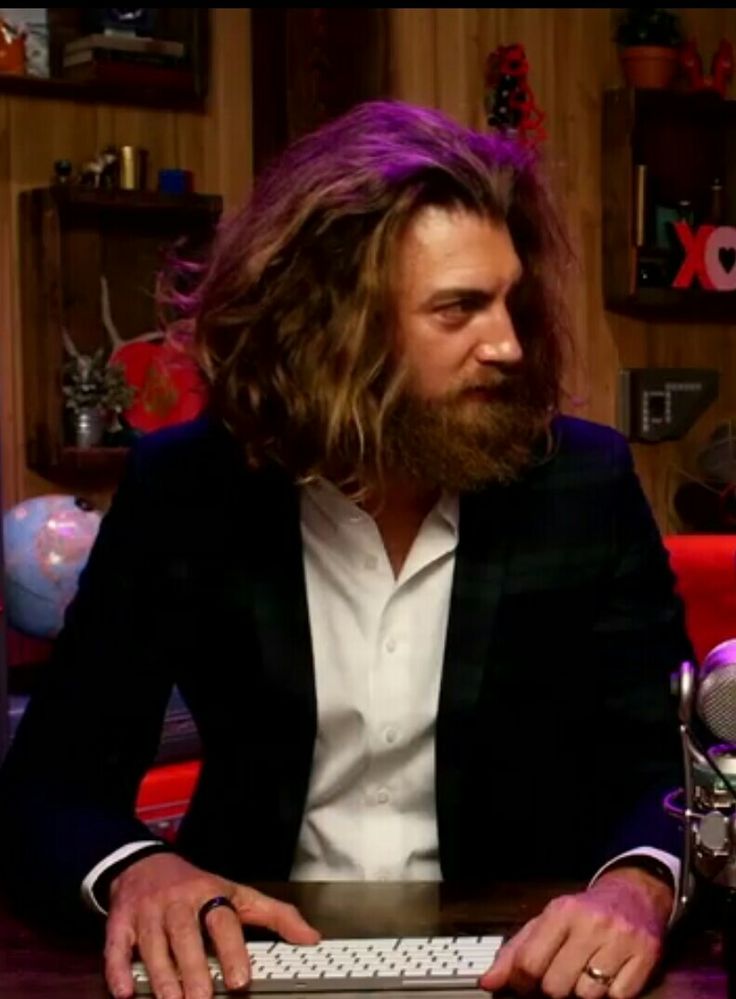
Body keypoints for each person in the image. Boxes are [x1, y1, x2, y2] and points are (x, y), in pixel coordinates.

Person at [0, 100, 692, 999]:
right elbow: (48, 786)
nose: (510, 343)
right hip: (253, 959)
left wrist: (636, 885)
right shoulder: (187, 490)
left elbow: (676, 775)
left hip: (518, 967)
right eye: (459, 308)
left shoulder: (582, 483)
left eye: (511, 299)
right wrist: (139, 870)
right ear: (334, 327)